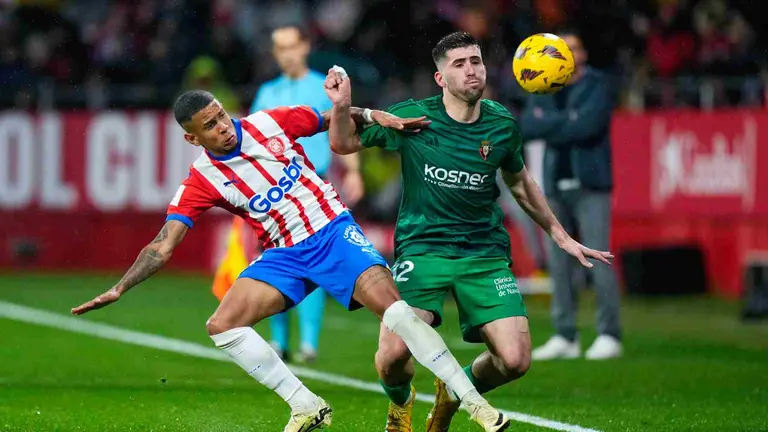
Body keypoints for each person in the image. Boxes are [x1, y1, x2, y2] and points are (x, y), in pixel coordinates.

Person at [71, 69, 513, 432]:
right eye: (210, 126)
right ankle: (306, 405)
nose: (223, 127)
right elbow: (163, 245)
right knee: (222, 325)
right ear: (193, 139)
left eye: (222, 116)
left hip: (333, 233)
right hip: (284, 254)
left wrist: (375, 114)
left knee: (398, 314)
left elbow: (336, 118)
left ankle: (474, 404)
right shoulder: (202, 180)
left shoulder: (268, 123)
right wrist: (120, 288)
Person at [329, 31, 614, 432]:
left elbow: (520, 183)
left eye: (476, 61)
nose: (471, 71)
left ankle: (452, 390)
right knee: (393, 356)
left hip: (484, 254)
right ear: (440, 78)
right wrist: (344, 107)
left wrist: (560, 235)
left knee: (514, 361)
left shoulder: (501, 124)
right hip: (423, 250)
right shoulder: (414, 117)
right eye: (459, 64)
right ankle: (399, 405)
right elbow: (343, 144)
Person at [214, 25, 364, 364]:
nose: (286, 54)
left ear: (305, 47)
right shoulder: (267, 92)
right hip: (274, 192)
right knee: (275, 263)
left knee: (313, 265)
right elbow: (248, 141)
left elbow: (344, 125)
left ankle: (308, 343)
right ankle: (279, 341)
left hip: (312, 185)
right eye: (280, 48)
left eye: (292, 46)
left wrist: (353, 171)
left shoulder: (322, 86)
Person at [520, 30, 623, 361]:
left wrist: (554, 124)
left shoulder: (598, 84)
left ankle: (609, 333)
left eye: (574, 48)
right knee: (558, 262)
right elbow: (529, 127)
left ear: (584, 53)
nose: (570, 54)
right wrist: (565, 122)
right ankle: (566, 334)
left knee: (599, 259)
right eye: (564, 49)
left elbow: (588, 127)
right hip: (554, 182)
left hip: (591, 183)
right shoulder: (545, 82)